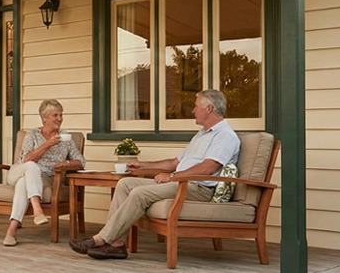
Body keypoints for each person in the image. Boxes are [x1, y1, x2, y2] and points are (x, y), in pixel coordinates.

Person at [69, 89, 239, 260]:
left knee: (139, 193)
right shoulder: (201, 135)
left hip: (199, 188)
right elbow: (175, 162)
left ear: (209, 108)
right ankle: (116, 245)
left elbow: (208, 168)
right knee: (125, 184)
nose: (193, 111)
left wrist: (172, 177)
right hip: (181, 183)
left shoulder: (225, 136)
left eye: (196, 107)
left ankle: (101, 239)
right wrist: (144, 164)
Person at [2, 98, 85, 247]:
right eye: (55, 115)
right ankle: (37, 209)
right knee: (31, 166)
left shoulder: (65, 137)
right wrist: (47, 144)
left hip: (44, 177)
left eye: (61, 115)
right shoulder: (32, 134)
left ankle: (11, 230)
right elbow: (27, 159)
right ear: (44, 117)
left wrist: (67, 162)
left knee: (23, 184)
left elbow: (80, 161)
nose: (60, 119)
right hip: (19, 171)